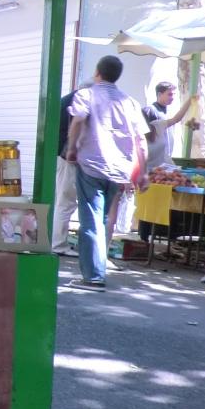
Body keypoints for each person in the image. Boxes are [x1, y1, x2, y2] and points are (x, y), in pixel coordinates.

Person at [66, 55, 149, 290]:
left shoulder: (87, 95)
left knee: (91, 220)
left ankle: (93, 277)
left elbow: (78, 121)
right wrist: (143, 172)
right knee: (101, 220)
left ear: (97, 72)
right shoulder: (130, 102)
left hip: (92, 164)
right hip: (119, 169)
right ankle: (97, 269)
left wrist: (72, 148)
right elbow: (141, 140)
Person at [51, 87, 82, 256]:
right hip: (67, 158)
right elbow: (76, 127)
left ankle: (54, 241)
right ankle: (58, 244)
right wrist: (72, 151)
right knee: (66, 202)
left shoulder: (66, 100)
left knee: (60, 200)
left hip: (58, 155)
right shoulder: (79, 100)